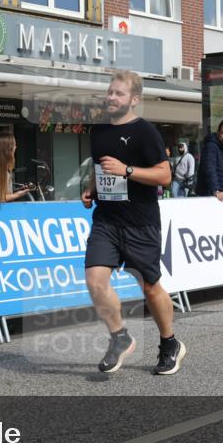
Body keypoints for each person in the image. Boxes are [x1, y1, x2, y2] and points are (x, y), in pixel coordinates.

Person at [81, 70, 185, 375]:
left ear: (134, 100)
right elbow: (102, 171)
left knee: (150, 287)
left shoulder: (145, 132)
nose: (112, 97)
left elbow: (165, 177)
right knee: (94, 279)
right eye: (110, 92)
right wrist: (91, 189)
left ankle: (169, 344)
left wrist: (127, 170)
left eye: (119, 94)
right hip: (107, 220)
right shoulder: (98, 131)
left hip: (141, 222)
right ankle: (120, 337)